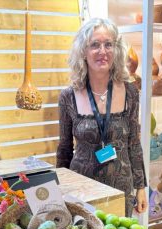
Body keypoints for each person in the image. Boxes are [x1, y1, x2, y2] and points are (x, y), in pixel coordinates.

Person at [56, 17, 147, 217]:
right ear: (83, 52)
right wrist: (58, 192)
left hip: (120, 189)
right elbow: (64, 148)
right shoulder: (68, 96)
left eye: (108, 44)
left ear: (117, 50)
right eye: (95, 45)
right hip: (81, 189)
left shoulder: (130, 91)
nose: (102, 51)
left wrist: (141, 187)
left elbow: (134, 143)